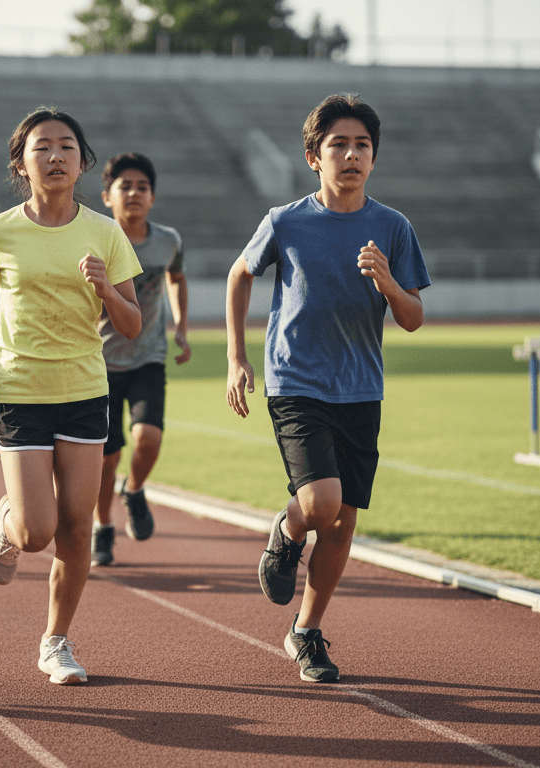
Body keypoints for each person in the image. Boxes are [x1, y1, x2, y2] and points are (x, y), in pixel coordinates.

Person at [225, 94, 430, 683]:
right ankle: (286, 530)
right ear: (314, 157)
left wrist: (390, 283)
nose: (351, 154)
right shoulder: (285, 221)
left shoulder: (393, 228)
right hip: (296, 381)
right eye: (338, 144)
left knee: (342, 523)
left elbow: (413, 317)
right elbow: (241, 273)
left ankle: (306, 632)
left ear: (374, 158)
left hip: (361, 388)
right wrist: (237, 357)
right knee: (320, 504)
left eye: (362, 145)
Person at [0, 106, 141, 685]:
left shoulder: (104, 231)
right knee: (37, 532)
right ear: (22, 163)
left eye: (66, 147)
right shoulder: (1, 230)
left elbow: (131, 324)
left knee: (77, 527)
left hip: (84, 389)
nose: (55, 156)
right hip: (20, 389)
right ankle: (9, 520)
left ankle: (56, 641)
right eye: (42, 147)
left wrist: (107, 288)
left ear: (83, 162)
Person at [90, 152, 191, 567]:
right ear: (107, 197)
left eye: (142, 187)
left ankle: (133, 490)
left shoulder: (168, 240)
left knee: (149, 437)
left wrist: (182, 326)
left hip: (148, 357)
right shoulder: (95, 239)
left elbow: (176, 277)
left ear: (152, 197)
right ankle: (103, 526)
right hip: (99, 363)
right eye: (125, 186)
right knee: (105, 456)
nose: (134, 193)